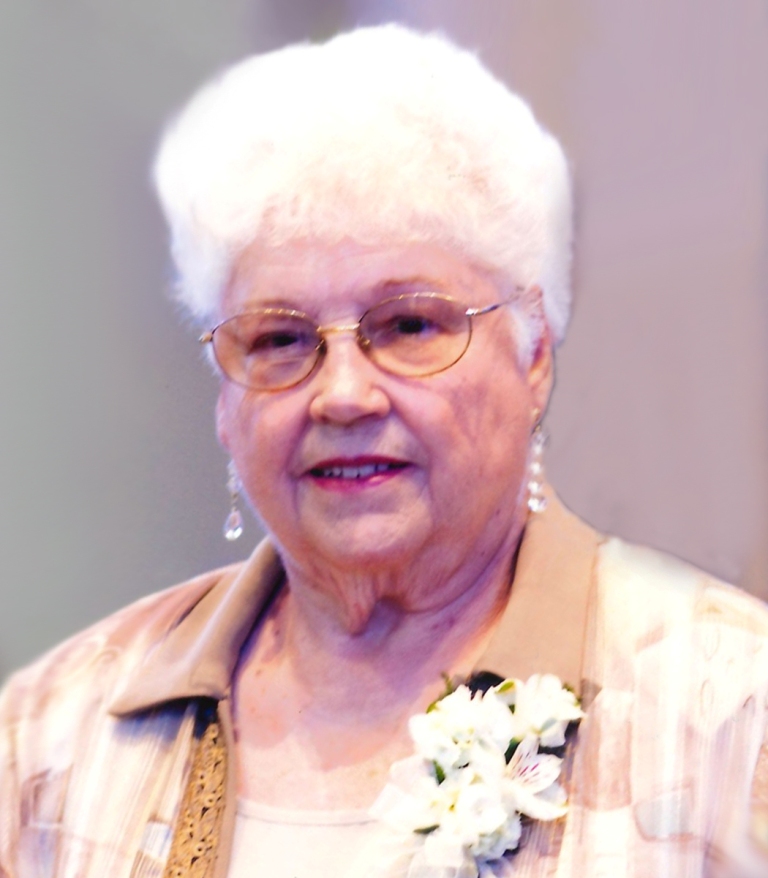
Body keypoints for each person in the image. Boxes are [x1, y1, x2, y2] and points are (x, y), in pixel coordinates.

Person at [1, 23, 767, 878]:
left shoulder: (734, 721)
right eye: (280, 340)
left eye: (408, 326)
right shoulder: (48, 738)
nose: (343, 395)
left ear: (534, 354)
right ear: (224, 401)